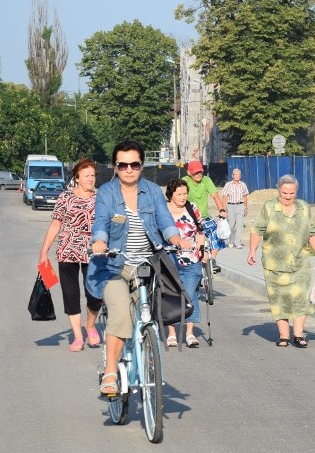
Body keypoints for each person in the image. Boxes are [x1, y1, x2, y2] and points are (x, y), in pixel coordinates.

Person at [87, 140, 194, 396]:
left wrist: (176, 239)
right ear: (115, 167)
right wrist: (100, 241)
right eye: (122, 165)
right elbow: (100, 221)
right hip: (114, 266)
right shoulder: (106, 193)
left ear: (141, 165)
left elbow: (165, 220)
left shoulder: (153, 192)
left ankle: (147, 353)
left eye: (134, 164)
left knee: (150, 315)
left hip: (148, 265)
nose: (128, 169)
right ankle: (111, 373)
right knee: (121, 313)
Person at [247, 174, 315, 348]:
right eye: (284, 193)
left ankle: (298, 335)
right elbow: (257, 230)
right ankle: (284, 336)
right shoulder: (269, 207)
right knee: (279, 299)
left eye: (291, 193)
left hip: (300, 262)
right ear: (279, 191)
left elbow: (311, 233)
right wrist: (252, 250)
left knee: (301, 299)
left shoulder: (304, 208)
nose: (288, 197)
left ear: (296, 192)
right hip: (274, 264)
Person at [38, 158, 102, 351]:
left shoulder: (101, 198)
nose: (91, 179)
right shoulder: (65, 197)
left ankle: (90, 325)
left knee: (95, 294)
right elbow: (56, 224)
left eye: (93, 175)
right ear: (77, 178)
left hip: (94, 253)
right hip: (68, 251)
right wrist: (44, 252)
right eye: (87, 175)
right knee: (71, 295)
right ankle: (77, 337)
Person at [164, 179, 207, 348]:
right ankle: (172, 333)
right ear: (171, 194)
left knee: (189, 293)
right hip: (169, 258)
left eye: (185, 193)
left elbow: (200, 231)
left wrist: (203, 251)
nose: (183, 197)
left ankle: (190, 333)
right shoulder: (163, 211)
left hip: (191, 257)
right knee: (171, 294)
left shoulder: (192, 208)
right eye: (179, 194)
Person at [184, 159, 226, 272]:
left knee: (218, 232)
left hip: (204, 216)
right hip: (190, 218)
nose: (198, 175)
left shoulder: (206, 180)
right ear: (189, 173)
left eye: (200, 172)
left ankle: (213, 260)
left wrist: (222, 210)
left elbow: (215, 196)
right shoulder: (184, 182)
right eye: (195, 172)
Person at [221, 167, 249, 249]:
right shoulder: (228, 185)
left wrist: (246, 207)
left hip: (240, 205)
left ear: (240, 176)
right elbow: (224, 197)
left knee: (239, 225)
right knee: (231, 225)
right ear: (232, 176)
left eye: (238, 175)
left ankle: (238, 243)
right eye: (235, 175)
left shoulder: (243, 185)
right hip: (230, 206)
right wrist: (223, 208)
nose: (237, 176)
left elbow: (245, 196)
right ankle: (231, 241)